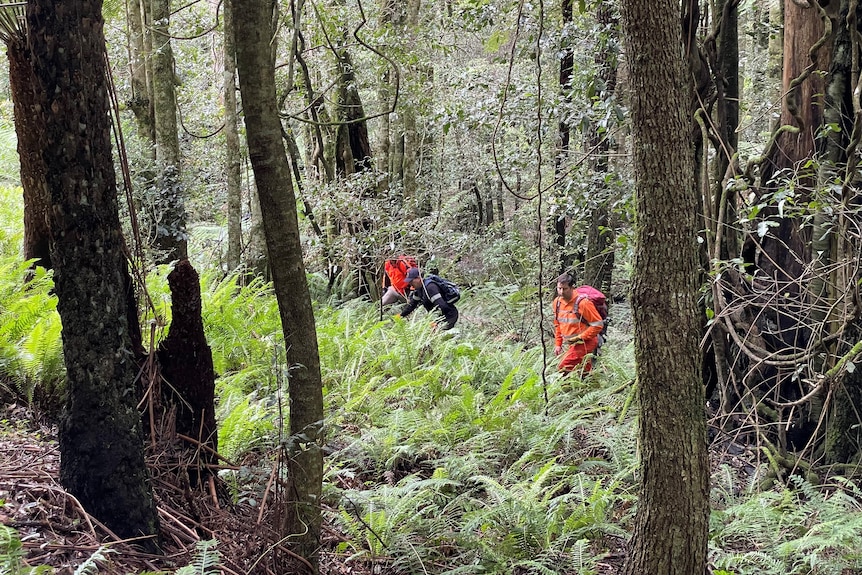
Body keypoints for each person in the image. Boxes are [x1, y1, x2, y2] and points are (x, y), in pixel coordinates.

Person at [552, 272, 604, 375]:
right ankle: (590, 387)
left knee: (563, 367)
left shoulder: (583, 303)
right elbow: (558, 324)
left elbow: (598, 324)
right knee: (584, 370)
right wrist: (558, 344)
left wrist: (580, 337)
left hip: (585, 342)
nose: (561, 292)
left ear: (572, 287)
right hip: (571, 344)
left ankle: (564, 390)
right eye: (559, 288)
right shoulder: (557, 303)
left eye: (565, 289)